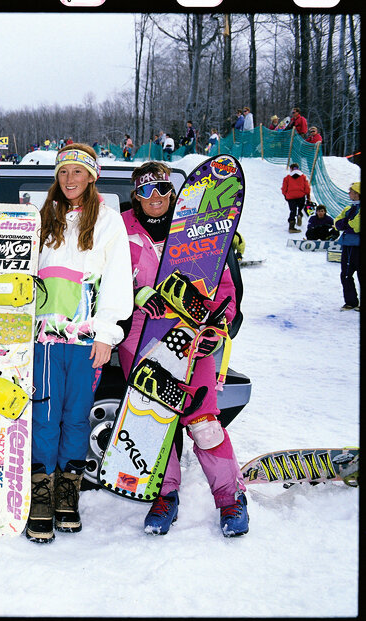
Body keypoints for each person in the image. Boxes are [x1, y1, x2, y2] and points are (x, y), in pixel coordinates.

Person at [0, 144, 132, 542]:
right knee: (45, 416)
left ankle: (68, 495)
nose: (69, 180)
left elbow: (118, 280)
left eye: (77, 173)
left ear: (92, 176)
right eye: (63, 173)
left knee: (77, 416)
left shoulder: (109, 223)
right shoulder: (41, 217)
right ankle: (42, 498)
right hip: (43, 338)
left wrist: (107, 333)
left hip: (85, 338)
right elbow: (14, 261)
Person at [118, 161, 249, 538]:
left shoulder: (194, 227)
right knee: (150, 417)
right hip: (140, 335)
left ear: (173, 192)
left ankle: (230, 498)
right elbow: (100, 278)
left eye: (161, 189)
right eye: (145, 191)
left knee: (203, 421)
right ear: (135, 195)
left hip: (193, 332)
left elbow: (223, 284)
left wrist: (218, 326)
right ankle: (165, 496)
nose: (154, 198)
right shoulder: (118, 229)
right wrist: (134, 295)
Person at [334, 182, 360, 311]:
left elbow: (357, 226)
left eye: (351, 191)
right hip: (348, 244)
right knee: (345, 274)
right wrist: (347, 223)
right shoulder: (348, 209)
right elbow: (337, 223)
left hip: (356, 245)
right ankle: (351, 301)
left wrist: (347, 224)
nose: (349, 193)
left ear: (357, 193)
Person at [280, 163, 312, 233]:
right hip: (301, 196)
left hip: (291, 196)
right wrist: (308, 196)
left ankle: (291, 227)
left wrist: (286, 195)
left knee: (292, 210)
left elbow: (284, 189)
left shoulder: (287, 178)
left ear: (291, 169)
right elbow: (307, 188)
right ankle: (299, 214)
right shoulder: (303, 177)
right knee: (300, 208)